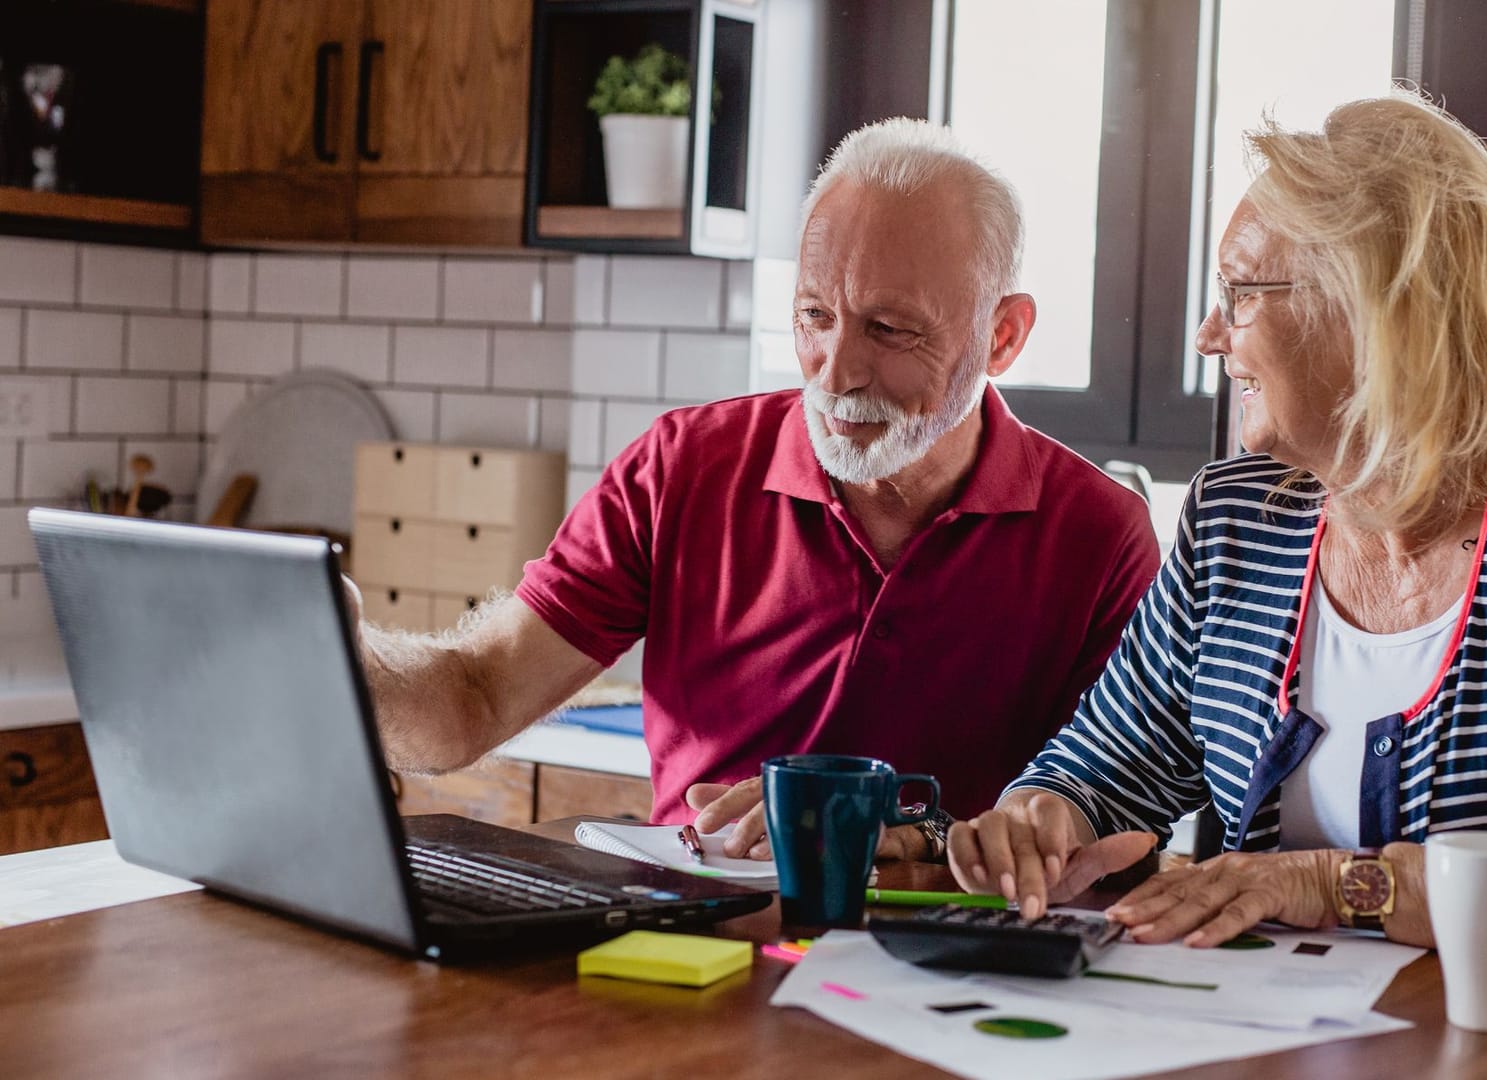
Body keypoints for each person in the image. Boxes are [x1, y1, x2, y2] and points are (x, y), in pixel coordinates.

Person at [949, 94, 1487, 984]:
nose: (1207, 335)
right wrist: (1041, 816)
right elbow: (1103, 772)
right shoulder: (1237, 523)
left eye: (1240, 293)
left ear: (1374, 312)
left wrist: (1342, 886)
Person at [356, 118, 1161, 863]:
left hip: (943, 972)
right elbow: (478, 693)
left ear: (1004, 335)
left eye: (890, 330)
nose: (837, 373)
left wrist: (915, 833)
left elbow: (1120, 821)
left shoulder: (1101, 532)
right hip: (689, 952)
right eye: (814, 316)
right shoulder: (681, 468)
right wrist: (336, 659)